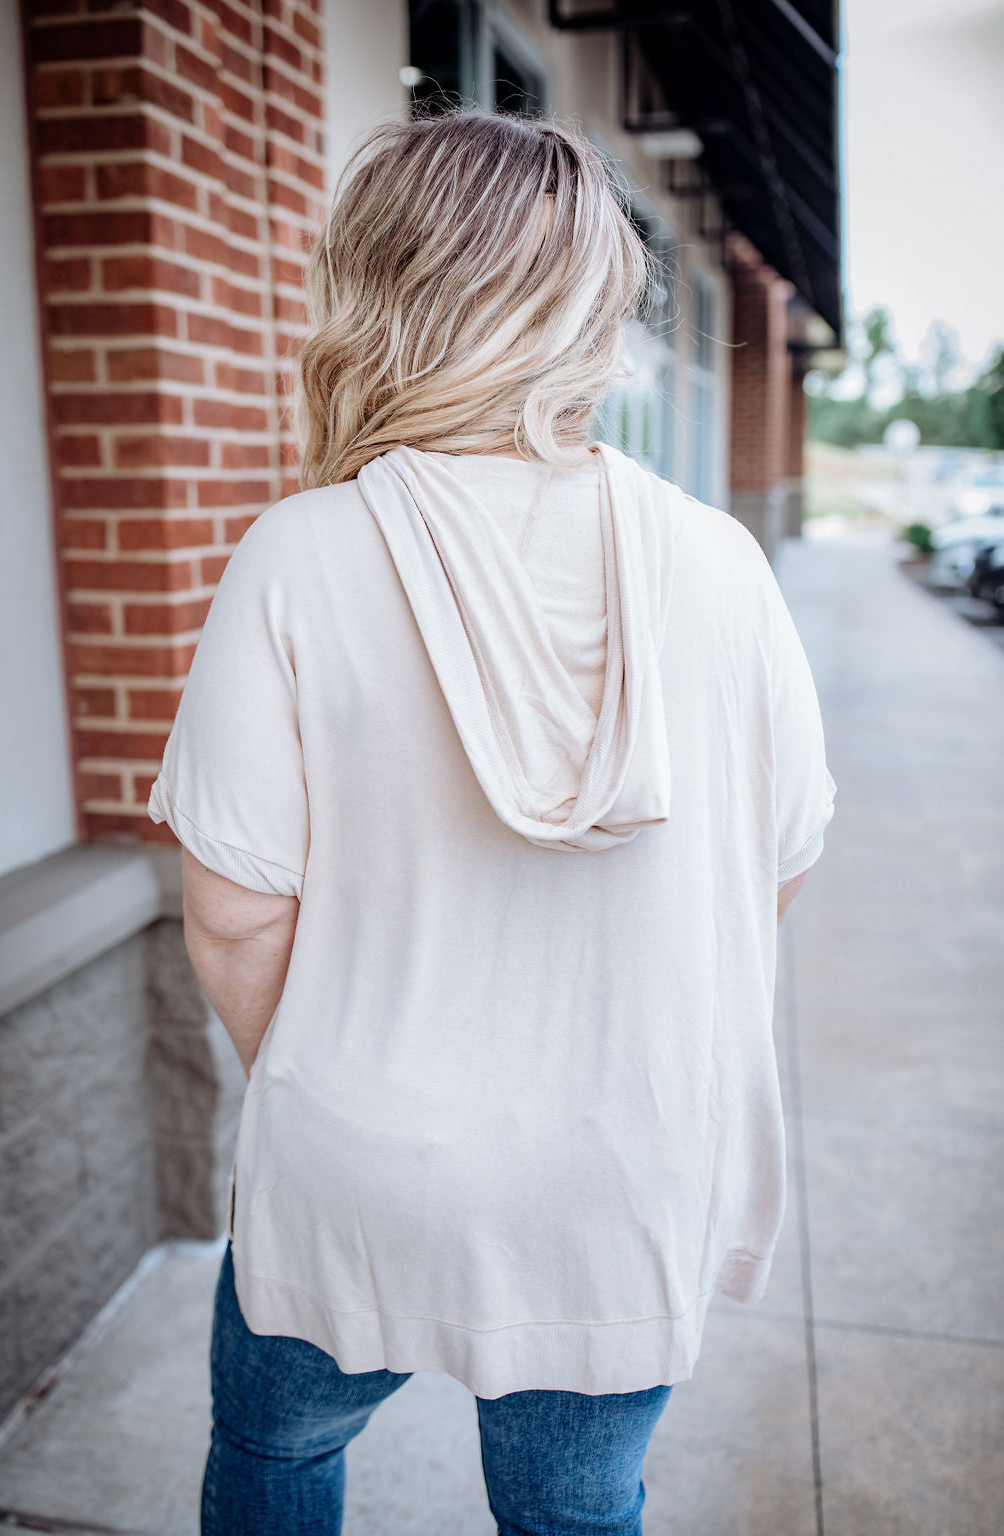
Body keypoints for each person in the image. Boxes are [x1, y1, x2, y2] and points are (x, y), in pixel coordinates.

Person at [147, 105, 836, 1536]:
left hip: (361, 1165)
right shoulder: (723, 563)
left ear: (376, 290)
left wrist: (351, 1090)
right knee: (576, 1513)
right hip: (625, 1180)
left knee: (276, 1453)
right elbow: (768, 875)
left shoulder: (297, 554)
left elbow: (233, 916)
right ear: (593, 308)